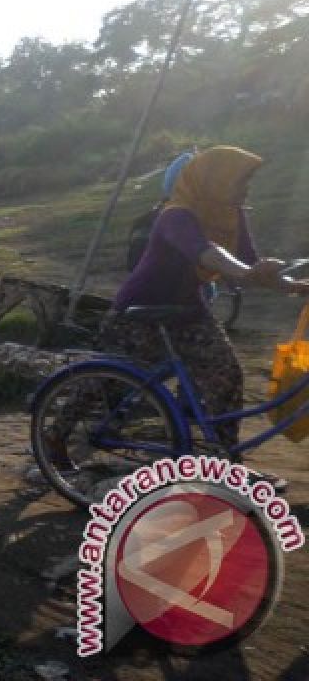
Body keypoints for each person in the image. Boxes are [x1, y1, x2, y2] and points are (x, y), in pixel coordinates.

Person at [46, 146, 309, 473]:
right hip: (139, 312)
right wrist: (245, 272)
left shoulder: (232, 216)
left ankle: (226, 462)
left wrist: (296, 286)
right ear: (217, 180)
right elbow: (205, 253)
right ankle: (55, 437)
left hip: (187, 309)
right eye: (241, 181)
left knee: (225, 375)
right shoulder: (176, 215)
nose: (246, 189)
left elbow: (252, 264)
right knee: (109, 382)